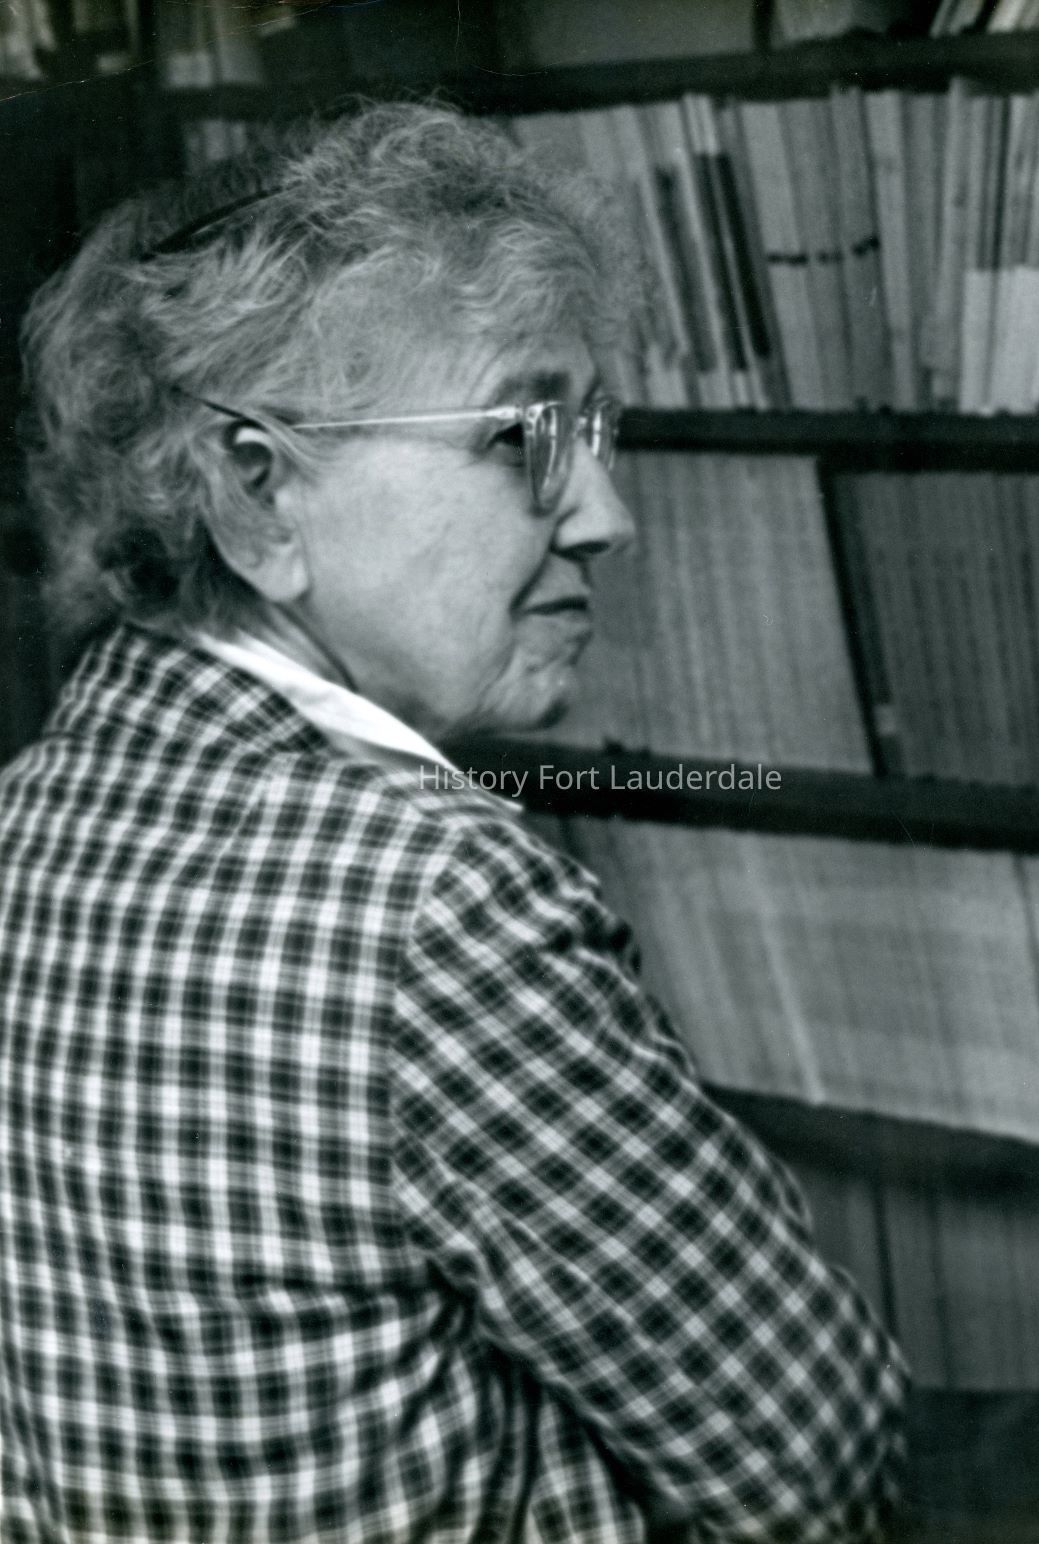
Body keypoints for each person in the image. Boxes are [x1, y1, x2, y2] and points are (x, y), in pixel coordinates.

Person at [0, 101, 906, 1542]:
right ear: (258, 498)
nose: (604, 515)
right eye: (523, 436)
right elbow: (813, 1457)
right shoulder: (437, 905)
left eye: (592, 432)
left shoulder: (27, 814)